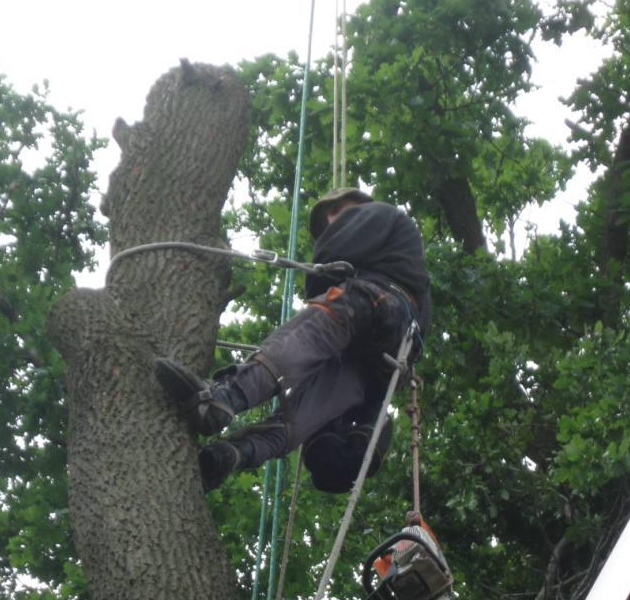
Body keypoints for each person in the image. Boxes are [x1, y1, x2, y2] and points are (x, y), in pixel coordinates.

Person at [156, 187, 432, 492]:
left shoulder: (383, 214)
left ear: (362, 206)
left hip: (372, 304)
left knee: (297, 342)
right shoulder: (410, 267)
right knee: (303, 413)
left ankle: (223, 400)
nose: (331, 219)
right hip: (384, 358)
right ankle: (232, 454)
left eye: (339, 209)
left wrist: (322, 279)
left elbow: (325, 267)